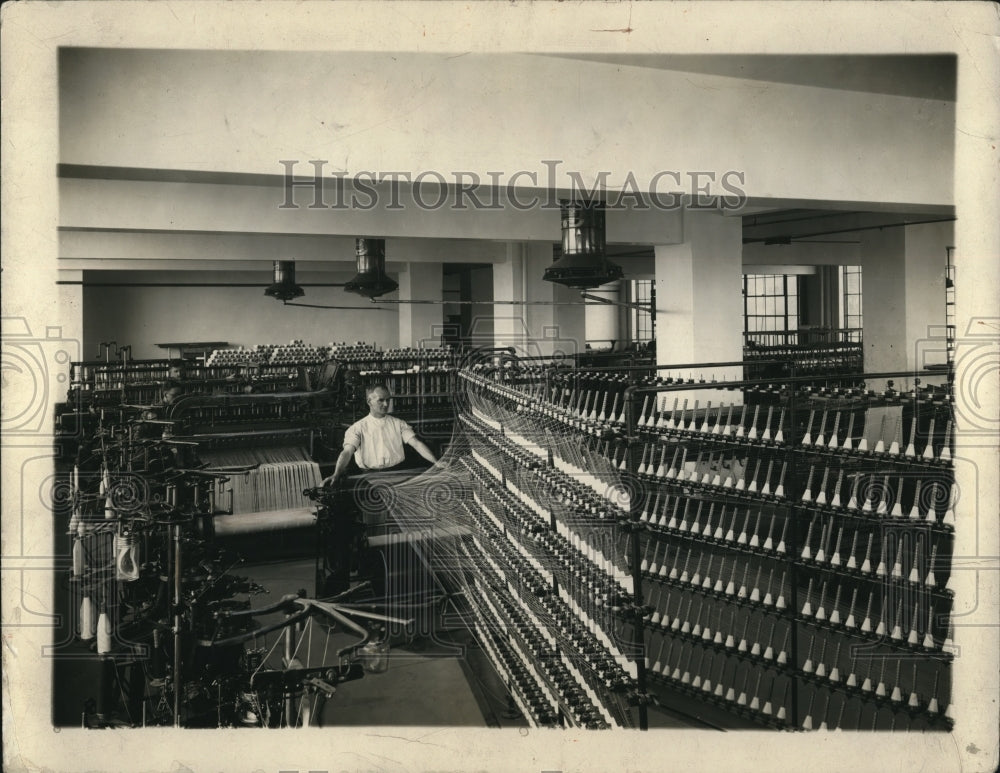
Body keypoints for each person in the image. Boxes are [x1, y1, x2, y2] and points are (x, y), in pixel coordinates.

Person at [322, 384, 437, 486]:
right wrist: (336, 474)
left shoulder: (399, 423)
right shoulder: (357, 428)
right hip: (369, 478)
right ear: (369, 402)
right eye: (381, 400)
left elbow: (416, 444)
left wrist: (436, 462)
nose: (386, 404)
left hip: (398, 474)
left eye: (388, 400)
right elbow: (347, 452)